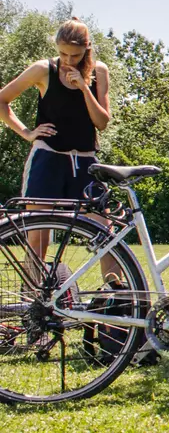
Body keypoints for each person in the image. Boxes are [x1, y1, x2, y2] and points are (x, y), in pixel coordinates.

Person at [0, 17, 112, 283]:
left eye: (74, 54)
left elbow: (102, 122)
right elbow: (2, 100)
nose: (68, 60)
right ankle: (34, 304)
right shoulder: (43, 70)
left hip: (85, 161)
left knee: (105, 232)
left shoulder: (99, 71)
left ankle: (115, 297)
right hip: (48, 157)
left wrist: (85, 87)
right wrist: (27, 133)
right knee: (39, 235)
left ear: (87, 48)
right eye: (63, 53)